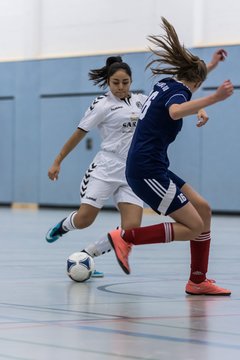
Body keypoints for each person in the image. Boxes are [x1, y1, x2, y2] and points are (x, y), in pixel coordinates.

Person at [108, 17, 234, 295]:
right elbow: (176, 111)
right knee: (193, 227)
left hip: (154, 167)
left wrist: (210, 66)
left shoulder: (166, 84)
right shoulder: (177, 94)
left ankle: (198, 281)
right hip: (146, 171)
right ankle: (126, 237)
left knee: (203, 210)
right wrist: (214, 99)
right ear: (197, 81)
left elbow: (187, 92)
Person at [45, 56, 147, 277]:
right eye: (116, 82)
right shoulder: (102, 105)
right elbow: (78, 134)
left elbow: (171, 108)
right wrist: (57, 161)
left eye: (125, 82)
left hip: (133, 172)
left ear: (131, 81)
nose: (121, 87)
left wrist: (198, 110)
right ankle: (62, 227)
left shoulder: (142, 100)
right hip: (106, 168)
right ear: (108, 82)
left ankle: (87, 255)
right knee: (84, 220)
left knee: (131, 229)